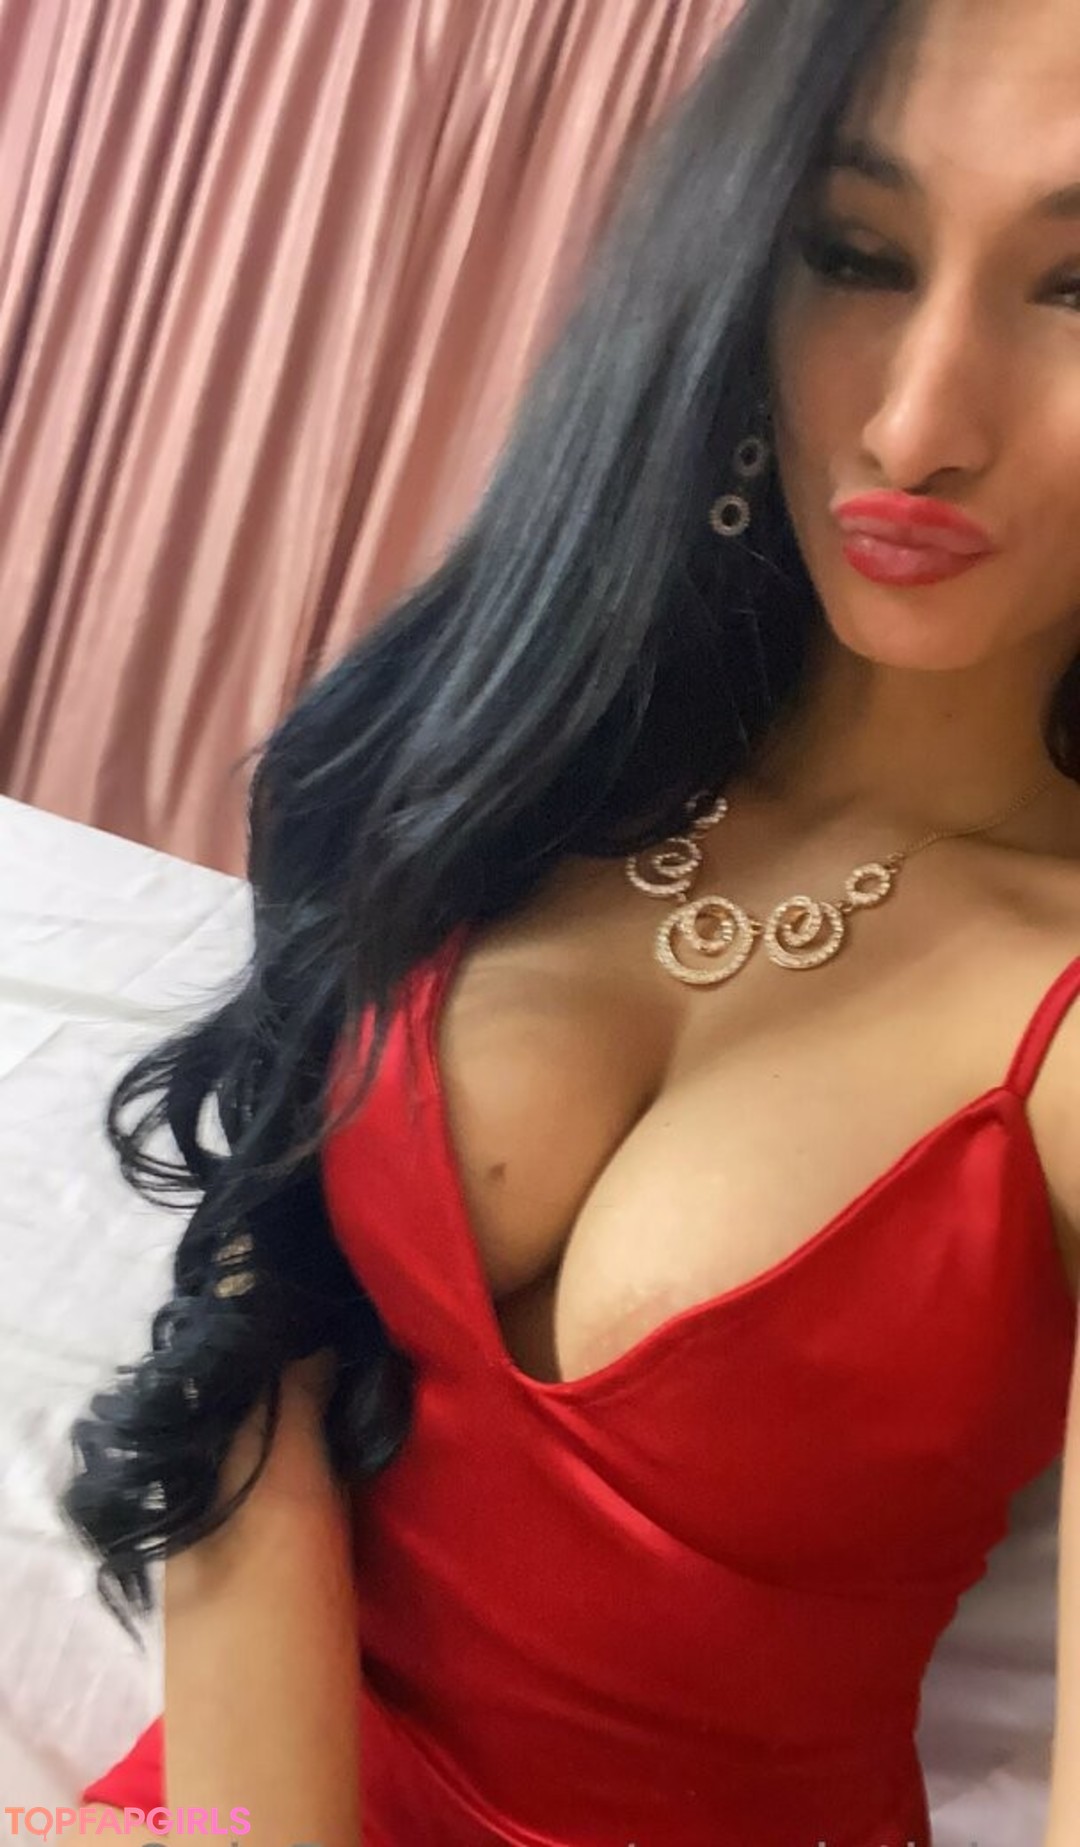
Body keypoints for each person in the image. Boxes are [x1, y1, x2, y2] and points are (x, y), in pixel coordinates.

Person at [64, 0, 1080, 1840]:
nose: (917, 421)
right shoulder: (518, 759)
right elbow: (249, 1348)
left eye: (1078, 291)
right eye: (855, 255)